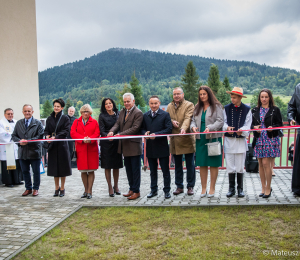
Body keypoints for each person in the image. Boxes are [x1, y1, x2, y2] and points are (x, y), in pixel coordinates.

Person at [108, 93, 143, 200]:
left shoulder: (138, 113)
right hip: (124, 146)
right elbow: (117, 124)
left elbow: (135, 128)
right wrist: (111, 131)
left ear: (133, 101)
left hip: (134, 146)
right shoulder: (122, 111)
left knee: (135, 170)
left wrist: (120, 134)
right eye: (125, 101)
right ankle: (131, 189)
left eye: (128, 101)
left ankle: (137, 191)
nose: (126, 103)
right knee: (128, 169)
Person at [190, 86, 224, 198]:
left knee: (214, 163)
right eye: (201, 94)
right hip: (200, 139)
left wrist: (210, 127)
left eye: (204, 94)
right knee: (202, 163)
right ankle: (203, 188)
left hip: (213, 138)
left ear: (209, 94)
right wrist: (193, 127)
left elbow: (220, 121)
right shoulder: (197, 107)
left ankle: (212, 188)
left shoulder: (217, 106)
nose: (202, 96)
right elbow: (192, 120)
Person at [252, 89, 283, 198]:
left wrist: (273, 128)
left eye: (266, 97)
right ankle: (263, 187)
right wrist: (254, 128)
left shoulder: (275, 110)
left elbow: (280, 124)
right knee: (260, 164)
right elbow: (251, 125)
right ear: (259, 98)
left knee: (266, 163)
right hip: (259, 139)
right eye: (262, 97)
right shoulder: (255, 110)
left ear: (270, 97)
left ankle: (268, 187)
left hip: (270, 139)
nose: (264, 99)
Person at [141, 95, 173, 199]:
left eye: (155, 103)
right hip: (151, 147)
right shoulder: (145, 115)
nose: (153, 105)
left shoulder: (165, 115)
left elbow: (169, 129)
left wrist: (157, 134)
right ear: (149, 104)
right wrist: (145, 133)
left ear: (159, 103)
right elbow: (141, 129)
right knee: (152, 171)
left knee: (165, 171)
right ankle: (153, 190)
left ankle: (167, 190)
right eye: (151, 103)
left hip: (162, 147)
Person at [223, 87, 252, 198]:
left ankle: (240, 189)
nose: (232, 99)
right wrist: (227, 127)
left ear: (240, 97)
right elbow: (223, 123)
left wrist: (242, 131)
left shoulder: (247, 109)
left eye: (234, 97)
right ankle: (231, 188)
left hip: (240, 142)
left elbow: (248, 124)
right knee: (230, 166)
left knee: (240, 166)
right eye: (231, 97)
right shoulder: (226, 108)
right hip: (229, 141)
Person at [167, 87, 196, 196]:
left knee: (190, 164)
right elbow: (166, 118)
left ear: (183, 94)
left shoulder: (189, 105)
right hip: (174, 139)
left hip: (186, 138)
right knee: (177, 164)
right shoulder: (169, 106)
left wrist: (183, 128)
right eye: (174, 94)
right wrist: (171, 122)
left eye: (178, 94)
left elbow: (188, 118)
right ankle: (179, 186)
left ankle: (190, 186)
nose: (176, 96)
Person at [12, 104, 44, 196]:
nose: (27, 113)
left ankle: (36, 189)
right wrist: (19, 141)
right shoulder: (19, 123)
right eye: (25, 111)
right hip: (22, 152)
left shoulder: (37, 123)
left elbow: (40, 136)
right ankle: (28, 188)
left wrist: (28, 141)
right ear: (23, 112)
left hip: (34, 152)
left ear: (32, 112)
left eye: (29, 111)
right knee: (25, 171)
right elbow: (14, 136)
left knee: (36, 172)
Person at [71, 104, 100, 199]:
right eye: (83, 111)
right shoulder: (76, 121)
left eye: (87, 111)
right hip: (81, 148)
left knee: (91, 170)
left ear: (90, 112)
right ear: (81, 113)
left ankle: (90, 191)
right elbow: (72, 133)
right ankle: (85, 190)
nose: (85, 113)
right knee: (83, 171)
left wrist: (90, 139)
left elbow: (97, 133)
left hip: (91, 148)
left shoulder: (94, 122)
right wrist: (82, 139)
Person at [44, 99, 72, 197]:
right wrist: (47, 136)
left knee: (62, 167)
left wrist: (55, 137)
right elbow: (46, 130)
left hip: (61, 145)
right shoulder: (49, 118)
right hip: (52, 146)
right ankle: (56, 187)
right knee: (54, 168)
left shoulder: (65, 118)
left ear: (62, 108)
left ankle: (63, 188)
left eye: (58, 106)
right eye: (55, 106)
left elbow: (66, 131)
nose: (56, 108)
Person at [98, 98, 123, 197]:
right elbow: (101, 130)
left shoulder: (118, 113)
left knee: (116, 165)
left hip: (117, 142)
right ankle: (109, 187)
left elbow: (121, 126)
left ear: (113, 104)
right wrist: (108, 137)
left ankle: (116, 186)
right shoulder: (102, 116)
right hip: (106, 143)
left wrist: (117, 135)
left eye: (110, 103)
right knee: (107, 166)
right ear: (104, 106)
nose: (108, 105)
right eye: (106, 104)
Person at [0, 108, 23, 187]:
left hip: (15, 146)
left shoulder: (17, 122)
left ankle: (17, 180)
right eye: (8, 114)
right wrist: (13, 136)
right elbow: (2, 134)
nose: (10, 115)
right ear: (4, 114)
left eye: (11, 114)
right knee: (7, 164)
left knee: (17, 163)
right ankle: (8, 182)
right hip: (7, 146)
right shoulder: (1, 123)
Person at [287, 83, 300, 196]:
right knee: (299, 159)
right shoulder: (298, 87)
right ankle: (298, 188)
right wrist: (291, 118)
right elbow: (292, 106)